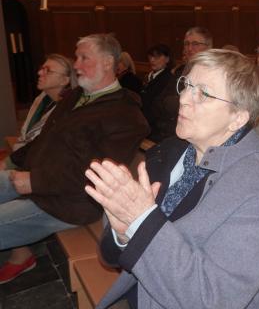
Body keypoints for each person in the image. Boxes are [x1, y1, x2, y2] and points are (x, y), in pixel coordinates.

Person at [85, 49, 259, 309]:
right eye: (186, 85)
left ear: (238, 118)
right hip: (144, 292)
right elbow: (111, 256)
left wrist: (140, 222)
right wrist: (123, 234)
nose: (184, 98)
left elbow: (213, 299)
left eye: (204, 94)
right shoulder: (172, 151)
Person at [0, 34, 150, 284]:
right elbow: (43, 140)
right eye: (76, 57)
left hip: (69, 203)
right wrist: (10, 162)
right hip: (38, 181)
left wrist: (35, 181)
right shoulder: (76, 96)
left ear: (107, 62)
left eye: (84, 58)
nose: (76, 65)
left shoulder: (127, 117)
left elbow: (96, 175)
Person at [11, 54, 77, 152]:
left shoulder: (69, 108)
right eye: (42, 68)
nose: (39, 72)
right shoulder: (42, 98)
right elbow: (25, 133)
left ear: (64, 80)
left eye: (48, 71)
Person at [141, 44, 174, 142]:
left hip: (155, 128)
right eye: (150, 56)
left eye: (157, 57)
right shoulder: (149, 76)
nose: (152, 60)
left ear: (167, 59)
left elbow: (159, 107)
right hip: (144, 123)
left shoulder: (168, 79)